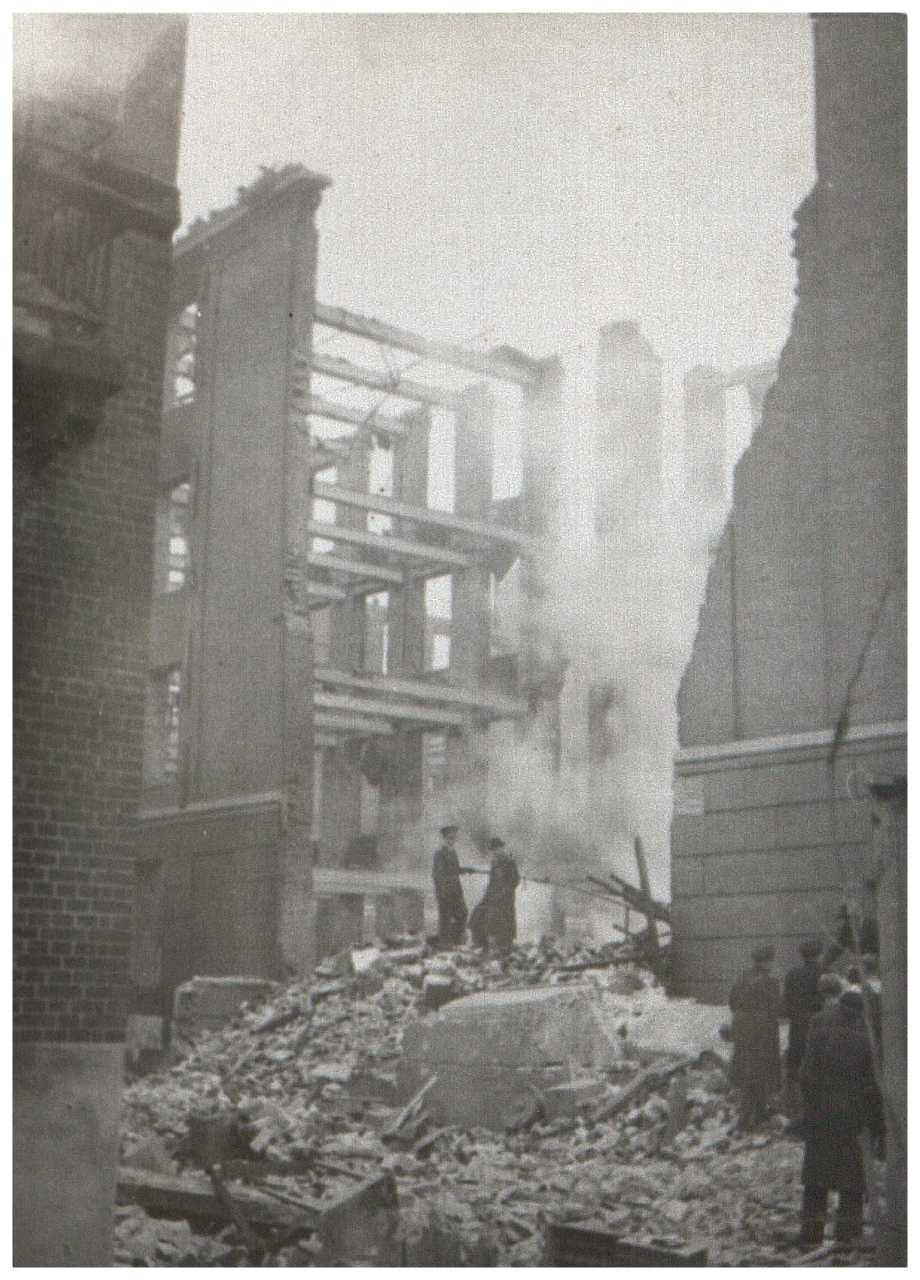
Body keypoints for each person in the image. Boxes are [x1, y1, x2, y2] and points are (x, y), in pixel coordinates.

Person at [798, 988, 884, 1247]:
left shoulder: (819, 1026)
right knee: (852, 1179)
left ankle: (810, 1233)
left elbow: (805, 1075)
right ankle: (848, 1234)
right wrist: (876, 1123)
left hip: (822, 1114)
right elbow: (874, 1084)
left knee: (816, 1176)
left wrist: (810, 1108)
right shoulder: (868, 1037)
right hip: (854, 1116)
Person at [728, 943, 782, 1131]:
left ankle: (755, 1114)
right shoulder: (770, 982)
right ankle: (750, 1117)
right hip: (763, 1031)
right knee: (760, 1072)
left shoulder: (742, 978)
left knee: (747, 1071)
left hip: (743, 1031)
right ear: (767, 962)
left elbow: (732, 1003)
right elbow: (777, 1007)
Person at [783, 940, 824, 1118]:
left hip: (797, 1025)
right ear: (819, 955)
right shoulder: (823, 973)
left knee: (796, 1063)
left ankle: (796, 1109)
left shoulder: (792, 974)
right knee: (817, 1064)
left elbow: (786, 1002)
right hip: (817, 1024)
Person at [432, 824, 468, 947]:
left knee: (462, 913)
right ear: (444, 838)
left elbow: (455, 869)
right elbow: (438, 875)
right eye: (449, 838)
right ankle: (445, 943)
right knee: (445, 917)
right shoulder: (439, 853)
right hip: (445, 891)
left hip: (456, 890)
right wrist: (443, 892)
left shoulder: (453, 852)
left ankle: (455, 940)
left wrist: (467, 870)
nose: (452, 841)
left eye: (454, 838)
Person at [483, 836, 520, 956]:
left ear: (502, 848)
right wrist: (489, 893)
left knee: (506, 921)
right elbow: (492, 880)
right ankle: (496, 947)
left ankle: (506, 947)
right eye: (493, 850)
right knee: (493, 920)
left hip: (506, 898)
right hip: (494, 897)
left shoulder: (510, 861)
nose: (495, 852)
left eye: (497, 849)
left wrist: (504, 892)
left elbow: (515, 880)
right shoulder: (494, 862)